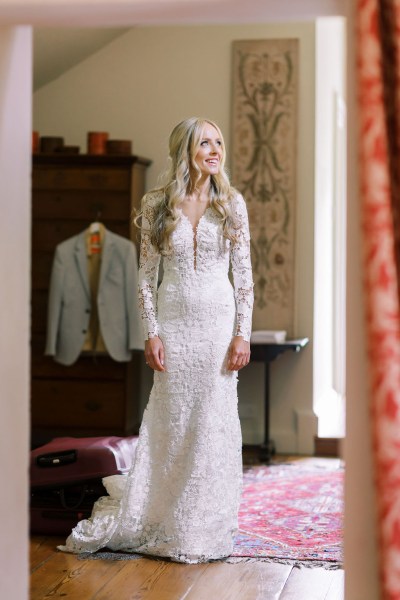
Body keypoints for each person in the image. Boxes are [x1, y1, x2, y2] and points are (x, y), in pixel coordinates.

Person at [58, 117, 254, 563]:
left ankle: (202, 524)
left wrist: (242, 332)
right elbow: (145, 277)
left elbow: (243, 278)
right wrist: (153, 332)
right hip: (176, 322)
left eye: (219, 142)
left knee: (211, 420)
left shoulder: (232, 204)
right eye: (205, 142)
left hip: (218, 324)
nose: (215, 149)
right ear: (185, 149)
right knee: (172, 419)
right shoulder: (155, 204)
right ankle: (163, 516)